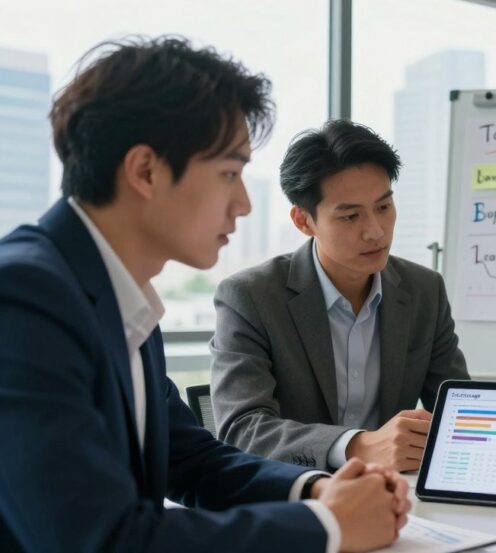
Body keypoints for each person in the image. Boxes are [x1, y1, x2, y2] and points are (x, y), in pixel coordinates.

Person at [0, 37, 409, 553]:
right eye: (229, 174)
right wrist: (328, 528)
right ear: (145, 170)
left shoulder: (120, 296)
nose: (241, 203)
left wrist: (318, 490)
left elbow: (191, 460)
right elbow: (98, 540)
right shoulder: (23, 298)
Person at [210, 119, 469, 472]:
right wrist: (356, 446)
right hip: (295, 498)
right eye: (350, 217)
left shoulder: (425, 290)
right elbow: (242, 429)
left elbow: (459, 409)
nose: (376, 232)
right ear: (304, 221)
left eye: (383, 207)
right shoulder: (251, 297)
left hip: (396, 495)